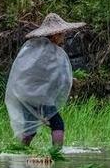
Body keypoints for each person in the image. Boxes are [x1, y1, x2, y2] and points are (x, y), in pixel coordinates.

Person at [5, 13, 85, 148]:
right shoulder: (54, 52)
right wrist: (71, 80)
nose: (63, 38)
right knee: (58, 123)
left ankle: (21, 149)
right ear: (55, 35)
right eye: (62, 34)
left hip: (26, 96)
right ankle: (57, 151)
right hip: (41, 97)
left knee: (30, 128)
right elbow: (57, 76)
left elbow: (29, 73)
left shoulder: (33, 47)